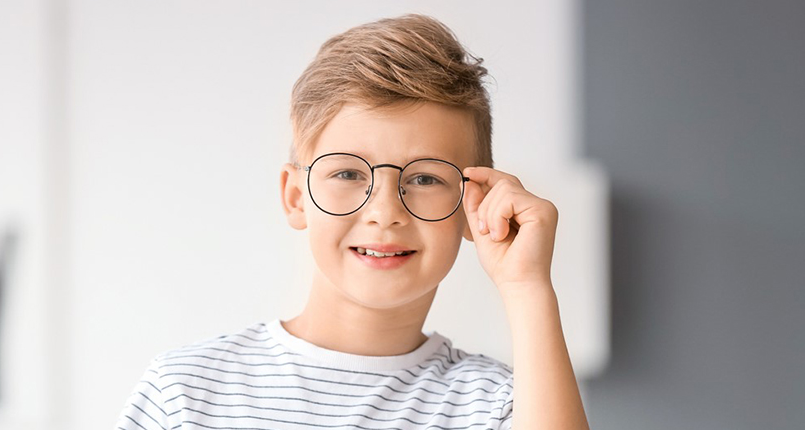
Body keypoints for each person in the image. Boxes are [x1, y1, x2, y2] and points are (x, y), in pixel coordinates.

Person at [113, 13, 589, 430]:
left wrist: (526, 288)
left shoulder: (501, 405)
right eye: (347, 173)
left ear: (473, 204)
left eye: (424, 178)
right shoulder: (185, 393)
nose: (385, 213)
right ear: (296, 197)